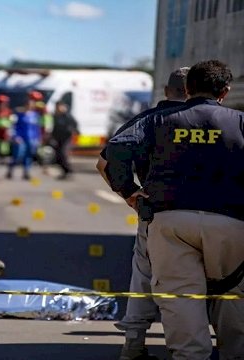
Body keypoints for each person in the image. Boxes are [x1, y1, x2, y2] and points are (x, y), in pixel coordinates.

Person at [105, 60, 244, 359]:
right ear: (225, 92)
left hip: (170, 221)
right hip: (232, 224)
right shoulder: (239, 121)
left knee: (180, 298)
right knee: (233, 294)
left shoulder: (157, 121)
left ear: (187, 89)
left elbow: (114, 151)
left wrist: (130, 193)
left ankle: (190, 354)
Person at [96, 66, 189, 360]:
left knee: (144, 278)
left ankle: (133, 346)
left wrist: (130, 194)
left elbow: (104, 163)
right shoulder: (216, 121)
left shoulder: (148, 121)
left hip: (155, 213)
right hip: (216, 215)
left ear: (165, 91)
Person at [6, 92, 43, 180]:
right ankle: (10, 170)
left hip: (31, 138)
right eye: (28, 104)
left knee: (28, 156)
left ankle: (26, 172)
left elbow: (36, 128)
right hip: (20, 138)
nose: (30, 106)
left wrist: (38, 138)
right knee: (18, 155)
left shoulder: (35, 115)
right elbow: (13, 126)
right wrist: (15, 136)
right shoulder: (19, 115)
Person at [48, 101, 79, 179]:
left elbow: (74, 125)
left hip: (66, 138)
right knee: (58, 156)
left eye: (60, 106)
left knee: (63, 153)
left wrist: (72, 129)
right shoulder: (54, 116)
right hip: (58, 138)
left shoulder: (67, 116)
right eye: (57, 107)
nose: (59, 108)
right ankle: (65, 171)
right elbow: (52, 127)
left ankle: (69, 170)